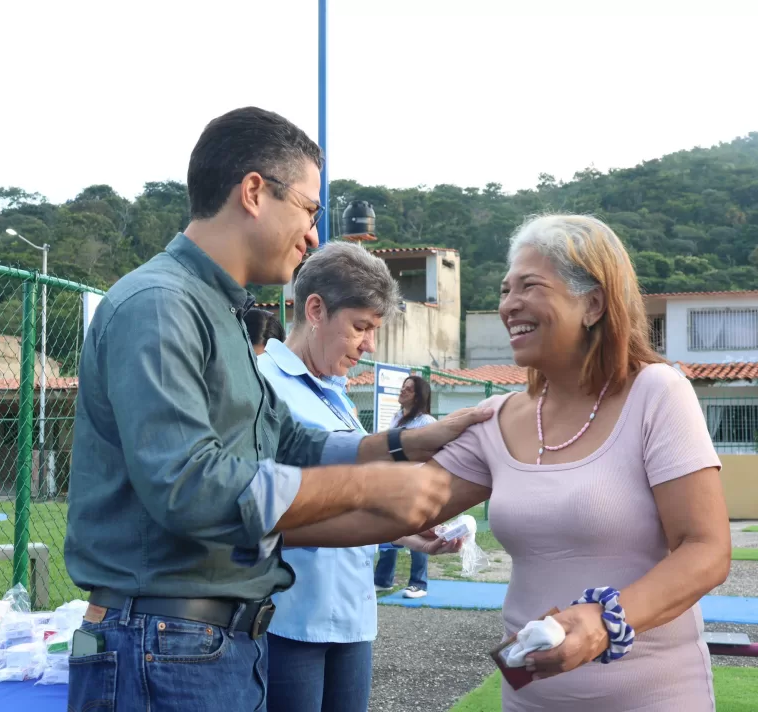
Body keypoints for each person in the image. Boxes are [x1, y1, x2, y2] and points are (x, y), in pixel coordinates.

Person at [63, 106, 491, 712]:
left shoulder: (222, 312)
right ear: (255, 192)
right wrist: (369, 488)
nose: (315, 234)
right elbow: (189, 485)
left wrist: (406, 445)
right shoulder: (160, 305)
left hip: (210, 642)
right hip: (164, 642)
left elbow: (292, 443)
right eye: (311, 210)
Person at [282, 214, 733, 712]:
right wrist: (246, 526)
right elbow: (395, 511)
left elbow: (706, 549)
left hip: (653, 696)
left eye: (529, 286)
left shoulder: (657, 393)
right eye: (504, 289)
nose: (508, 304)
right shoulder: (497, 418)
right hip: (530, 698)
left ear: (593, 303)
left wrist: (605, 621)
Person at [256, 241, 459, 712]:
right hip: (290, 617)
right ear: (315, 310)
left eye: (374, 330)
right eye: (360, 327)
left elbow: (355, 496)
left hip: (351, 613)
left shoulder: (338, 395)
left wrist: (407, 531)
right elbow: (261, 506)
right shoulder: (264, 385)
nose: (369, 345)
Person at [374, 374, 438, 599]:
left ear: (418, 396)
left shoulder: (426, 422)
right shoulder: (396, 418)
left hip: (416, 484)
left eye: (408, 389)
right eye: (402, 387)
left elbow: (433, 454)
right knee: (388, 529)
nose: (402, 391)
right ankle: (382, 580)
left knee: (416, 529)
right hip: (394, 482)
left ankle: (418, 584)